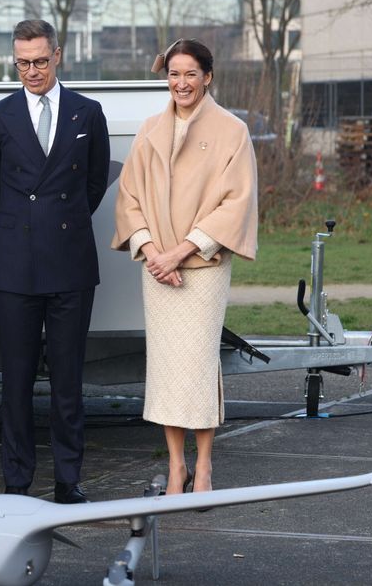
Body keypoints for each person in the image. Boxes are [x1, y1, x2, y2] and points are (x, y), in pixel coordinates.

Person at [111, 39, 258, 495]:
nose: (181, 83)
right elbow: (129, 197)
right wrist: (153, 250)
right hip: (158, 269)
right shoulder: (150, 130)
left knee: (197, 365)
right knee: (166, 368)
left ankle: (205, 465)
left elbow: (237, 202)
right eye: (174, 74)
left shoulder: (232, 131)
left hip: (203, 268)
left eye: (190, 73)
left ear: (207, 77)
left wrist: (180, 252)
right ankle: (177, 466)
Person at [0, 19, 110, 504]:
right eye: (21, 63)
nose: (31, 71)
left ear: (57, 55)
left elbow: (94, 185)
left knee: (68, 380)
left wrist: (58, 221)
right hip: (15, 264)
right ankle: (16, 482)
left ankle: (68, 481)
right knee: (15, 381)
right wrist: (23, 226)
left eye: (38, 61)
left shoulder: (87, 112)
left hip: (71, 262)